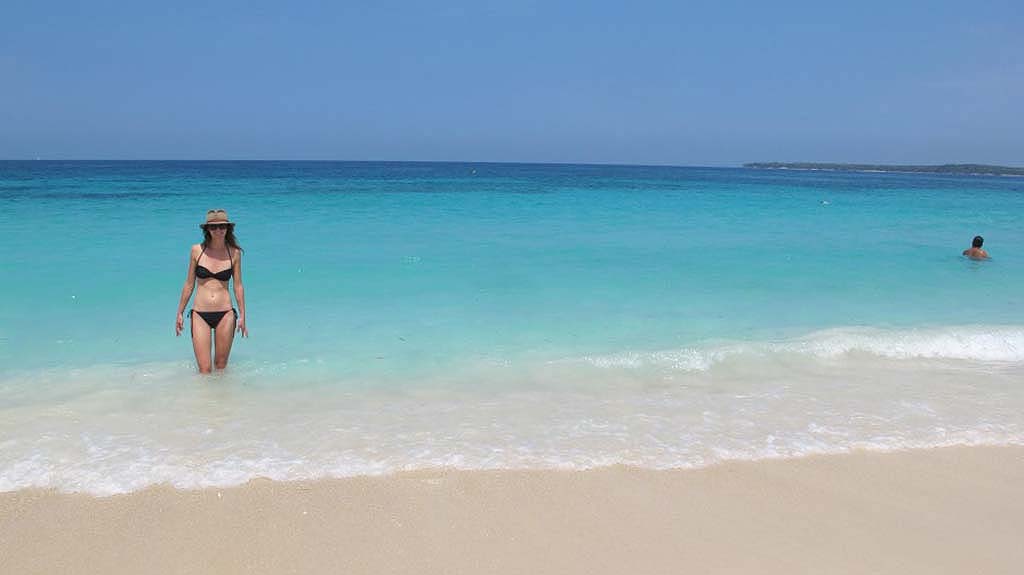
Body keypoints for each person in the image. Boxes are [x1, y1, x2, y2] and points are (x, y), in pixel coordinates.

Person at [175, 209, 248, 373]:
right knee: (205, 370)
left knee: (221, 367)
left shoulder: (234, 253)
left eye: (222, 226)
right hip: (200, 314)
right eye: (213, 227)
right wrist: (180, 312)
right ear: (207, 229)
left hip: (225, 314)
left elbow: (238, 286)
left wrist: (243, 315)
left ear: (228, 228)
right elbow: (189, 284)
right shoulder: (197, 250)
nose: (218, 230)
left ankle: (224, 391)